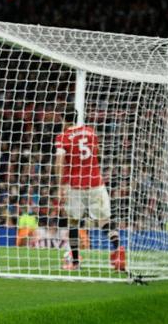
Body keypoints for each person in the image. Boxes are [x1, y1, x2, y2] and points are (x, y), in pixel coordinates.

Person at [54, 114, 125, 271]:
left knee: (73, 223)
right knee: (104, 221)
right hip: (95, 183)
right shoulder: (91, 132)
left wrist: (60, 186)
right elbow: (96, 152)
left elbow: (59, 162)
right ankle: (119, 251)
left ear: (62, 119)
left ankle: (75, 262)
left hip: (76, 186)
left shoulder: (62, 137)